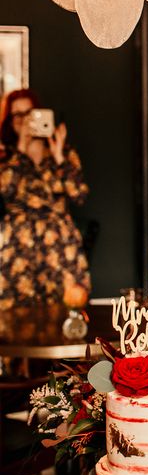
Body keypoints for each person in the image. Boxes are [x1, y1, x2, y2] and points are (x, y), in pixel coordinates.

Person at [0, 89, 90, 310]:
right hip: (17, 243)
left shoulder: (63, 152)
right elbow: (5, 190)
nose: (23, 120)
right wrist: (21, 148)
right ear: (10, 121)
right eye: (17, 115)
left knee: (66, 309)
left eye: (29, 113)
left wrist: (59, 155)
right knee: (15, 312)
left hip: (59, 243)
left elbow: (79, 195)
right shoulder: (6, 156)